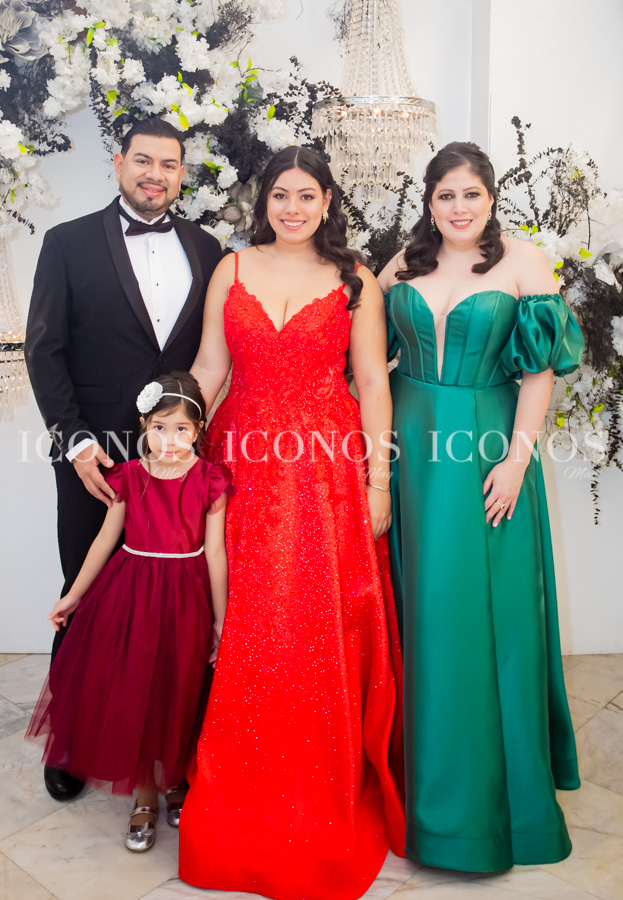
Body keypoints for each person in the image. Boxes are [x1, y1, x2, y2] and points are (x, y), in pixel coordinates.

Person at [178, 146, 406, 900]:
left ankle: (319, 781)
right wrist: (170, 450)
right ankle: (238, 784)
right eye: (281, 194)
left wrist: (378, 482)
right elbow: (209, 370)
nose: (293, 208)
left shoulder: (354, 279)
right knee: (247, 618)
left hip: (325, 472)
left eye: (307, 195)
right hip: (242, 461)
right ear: (264, 200)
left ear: (328, 201)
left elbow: (371, 382)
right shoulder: (232, 269)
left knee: (313, 624)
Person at [378, 141, 584, 873]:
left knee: (484, 614)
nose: (458, 208)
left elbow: (539, 372)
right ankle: (414, 788)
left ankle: (502, 809)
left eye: (471, 194)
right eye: (445, 196)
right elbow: (362, 355)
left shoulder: (525, 262)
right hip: (408, 450)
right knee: (419, 608)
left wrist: (518, 458)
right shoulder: (401, 266)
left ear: (490, 198)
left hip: (489, 449)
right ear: (428, 201)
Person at [24, 117, 221, 802]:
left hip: (178, 460)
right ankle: (71, 741)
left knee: (173, 609)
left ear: (181, 173)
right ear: (118, 162)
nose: (154, 175)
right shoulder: (68, 242)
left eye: (168, 164)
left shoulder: (207, 248)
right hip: (96, 458)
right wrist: (76, 443)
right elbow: (44, 350)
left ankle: (164, 741)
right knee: (85, 593)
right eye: (143, 161)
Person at [26, 372, 233, 852]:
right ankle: (144, 795)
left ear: (198, 430)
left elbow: (216, 554)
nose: (169, 441)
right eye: (159, 428)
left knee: (180, 688)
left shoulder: (210, 481)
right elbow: (104, 540)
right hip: (133, 596)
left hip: (186, 597)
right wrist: (74, 594)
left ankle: (176, 781)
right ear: (144, 425)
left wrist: (220, 618)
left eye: (181, 429)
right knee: (139, 689)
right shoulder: (130, 477)